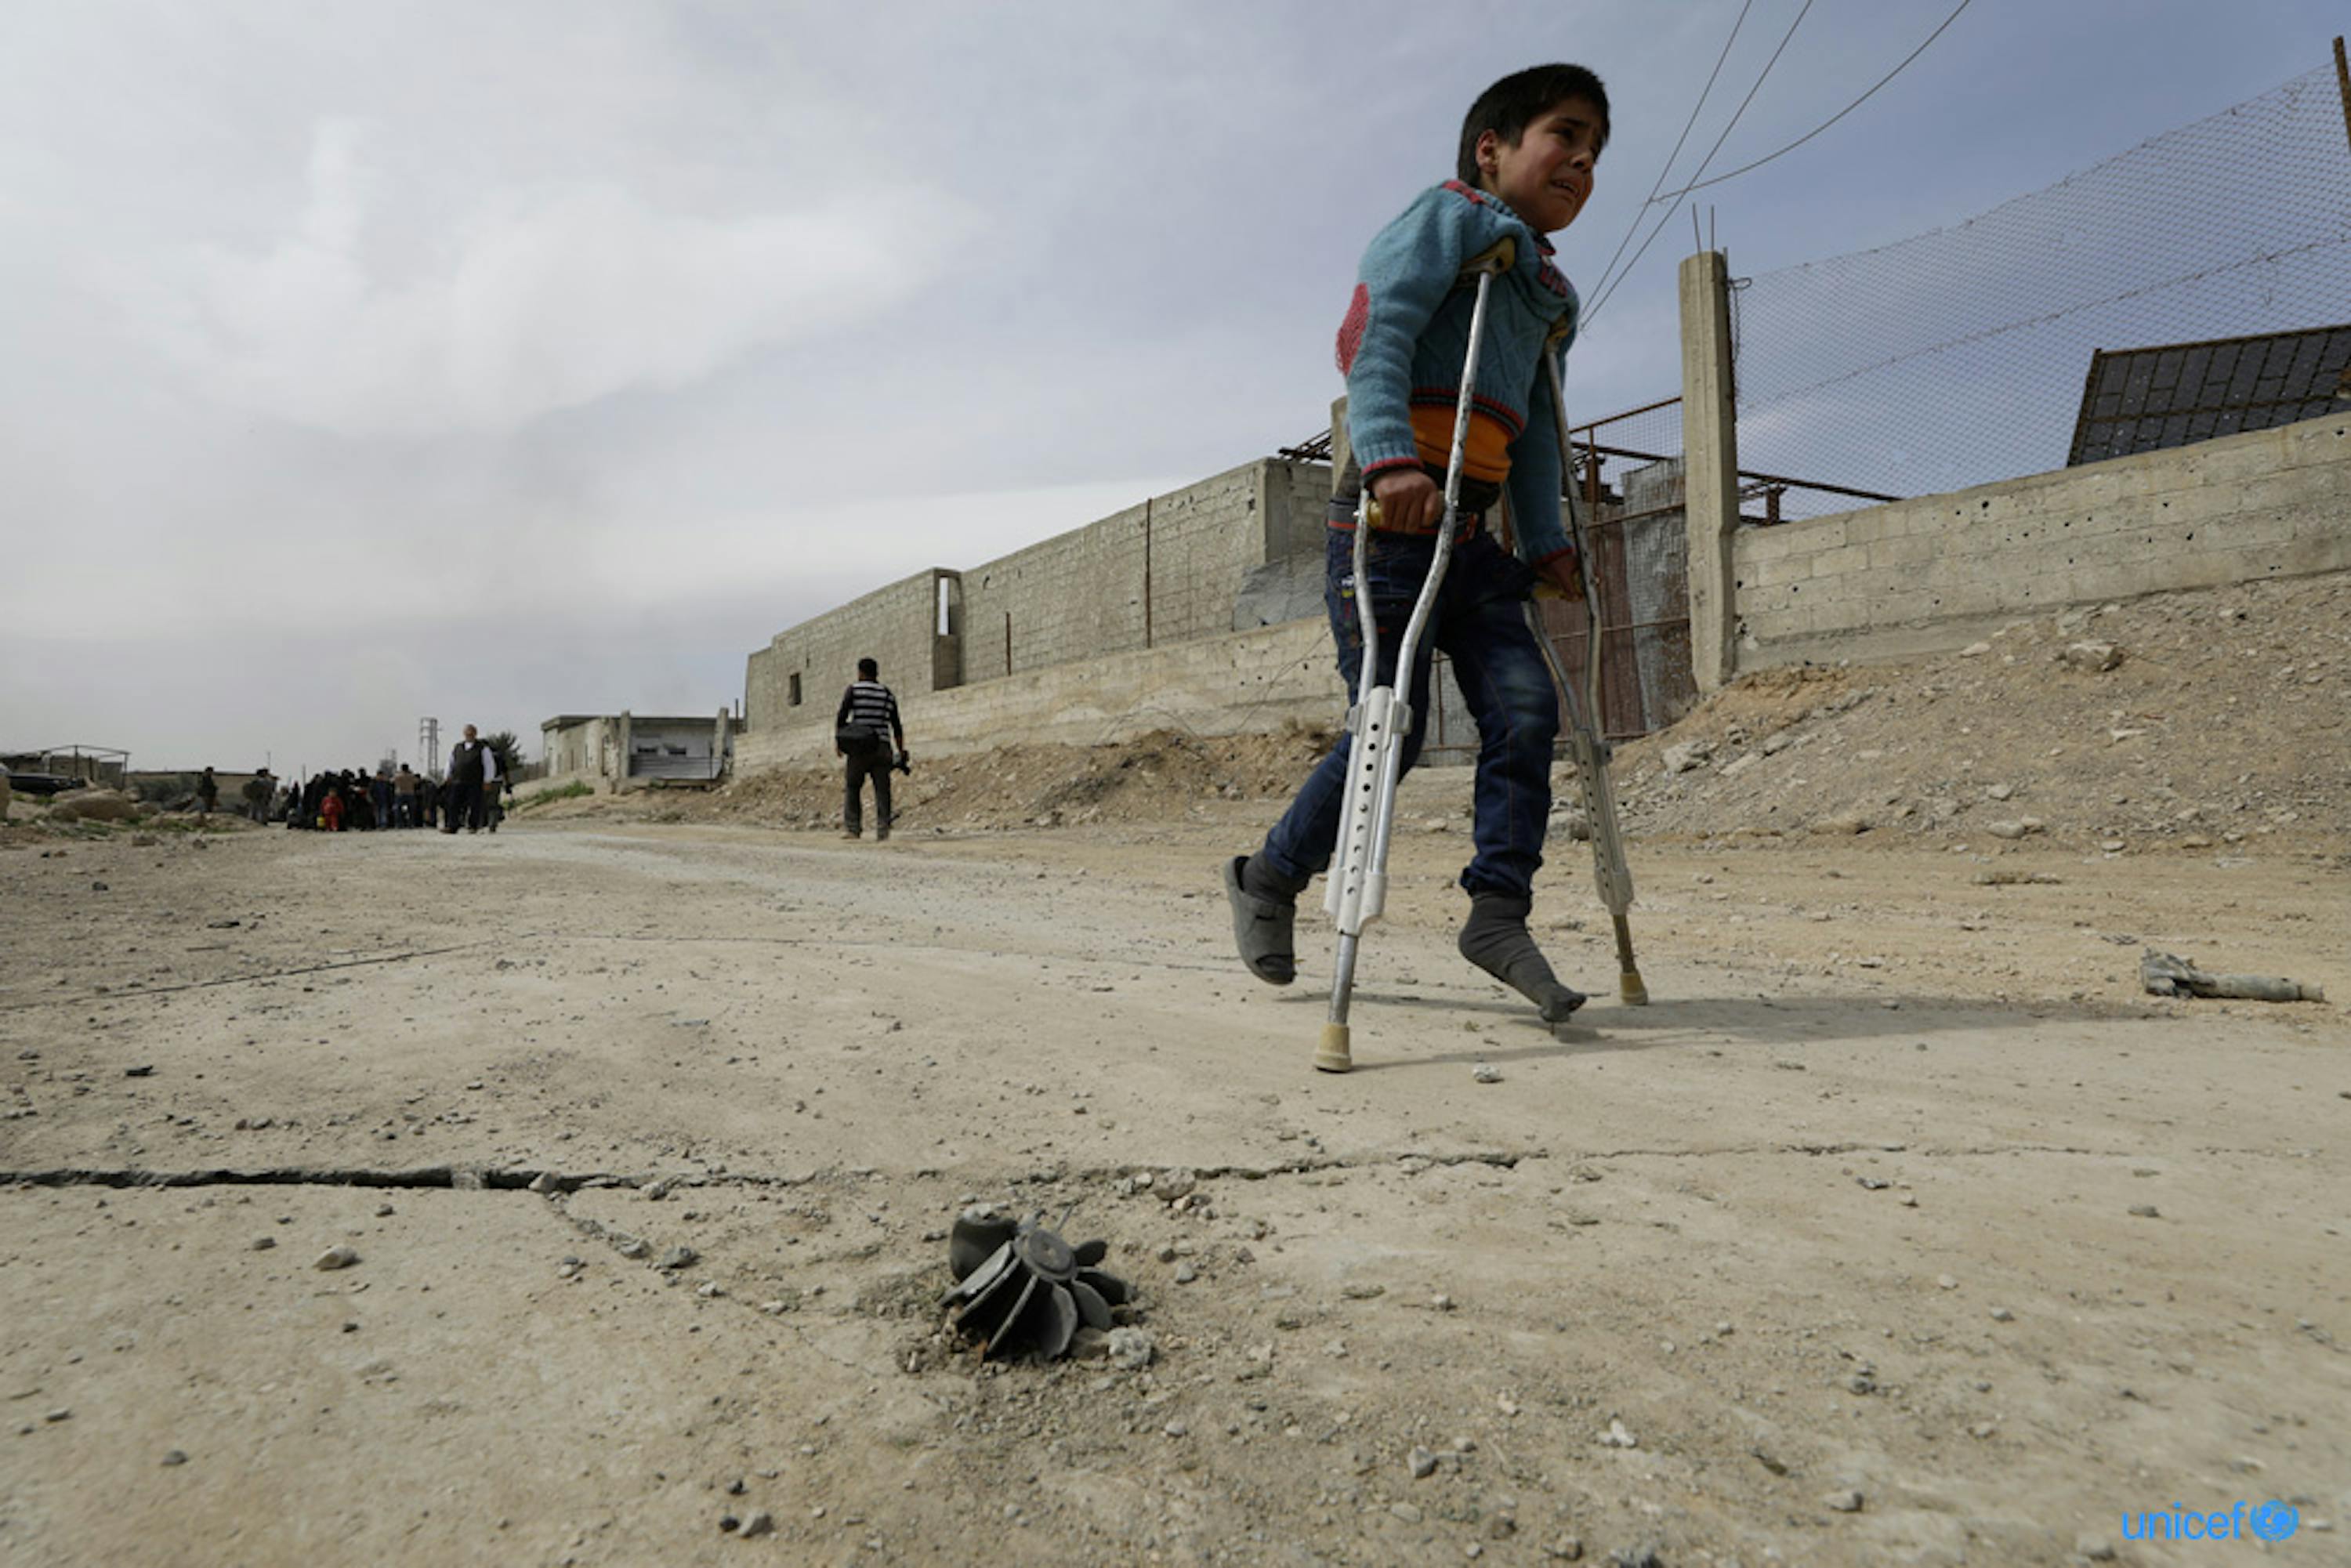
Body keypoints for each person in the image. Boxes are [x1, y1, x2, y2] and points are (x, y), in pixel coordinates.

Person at [1223, 64, 1607, 1028]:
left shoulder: (1544, 291)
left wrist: (1551, 540)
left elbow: (1531, 440)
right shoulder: (1447, 220)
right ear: (1493, 148)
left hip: (1471, 540)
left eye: (1596, 152)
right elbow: (1374, 337)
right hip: (1388, 523)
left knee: (1524, 714)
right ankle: (1269, 878)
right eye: (1565, 136)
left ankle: (1498, 915)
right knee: (1386, 732)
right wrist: (1391, 459)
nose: (1584, 162)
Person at [835, 657, 905, 841]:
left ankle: (853, 829)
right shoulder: (887, 693)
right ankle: (883, 830)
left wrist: (839, 743)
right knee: (882, 789)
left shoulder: (854, 690)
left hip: (859, 746)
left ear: (860, 672)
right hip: (882, 746)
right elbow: (896, 725)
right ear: (876, 673)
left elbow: (841, 717)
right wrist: (901, 750)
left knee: (853, 786)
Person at [444, 726, 489, 833]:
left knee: (474, 804)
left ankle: (473, 826)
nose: (469, 735)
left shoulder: (483, 748)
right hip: (458, 781)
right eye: (467, 733)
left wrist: (488, 780)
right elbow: (450, 762)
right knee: (453, 803)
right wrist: (447, 776)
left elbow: (489, 765)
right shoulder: (457, 747)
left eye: (471, 733)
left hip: (475, 781)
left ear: (475, 733)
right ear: (464, 734)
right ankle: (452, 826)